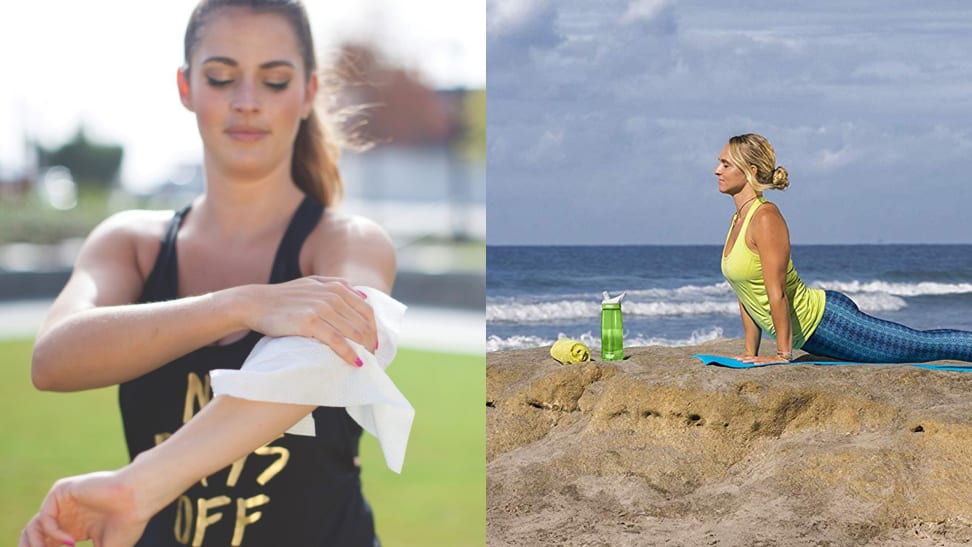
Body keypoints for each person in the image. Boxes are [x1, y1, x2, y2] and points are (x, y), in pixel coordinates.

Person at [19, 1, 396, 545]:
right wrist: (241, 304)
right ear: (186, 86)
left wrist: (135, 489)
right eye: (221, 78)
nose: (246, 103)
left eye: (274, 81)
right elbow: (52, 359)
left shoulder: (345, 242)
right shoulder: (133, 242)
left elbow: (327, 354)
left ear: (309, 92)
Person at [716, 133, 972, 365]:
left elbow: (777, 292)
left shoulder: (765, 217)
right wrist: (751, 353)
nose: (717, 170)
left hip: (829, 323)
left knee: (921, 346)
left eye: (726, 164)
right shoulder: (738, 219)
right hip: (814, 333)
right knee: (919, 346)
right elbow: (745, 292)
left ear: (750, 170)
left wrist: (783, 355)